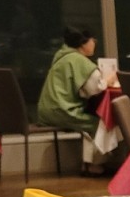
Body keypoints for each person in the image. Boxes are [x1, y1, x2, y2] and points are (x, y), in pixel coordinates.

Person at [38, 26, 114, 174]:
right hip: (62, 110)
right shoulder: (79, 61)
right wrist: (108, 80)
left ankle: (90, 164)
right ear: (83, 43)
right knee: (99, 122)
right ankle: (92, 165)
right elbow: (95, 89)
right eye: (92, 40)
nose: (94, 43)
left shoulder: (62, 56)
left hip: (46, 111)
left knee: (93, 118)